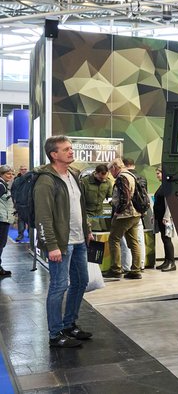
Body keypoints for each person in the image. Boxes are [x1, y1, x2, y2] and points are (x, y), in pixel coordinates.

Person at [35, 135, 94, 348]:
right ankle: (55, 333)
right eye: (66, 149)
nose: (71, 151)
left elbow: (80, 207)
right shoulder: (46, 180)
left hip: (79, 240)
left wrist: (87, 230)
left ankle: (69, 324)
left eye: (71, 148)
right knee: (59, 286)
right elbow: (43, 216)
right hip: (61, 242)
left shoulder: (74, 174)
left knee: (81, 281)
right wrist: (52, 245)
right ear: (54, 154)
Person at [104, 158, 143, 280]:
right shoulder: (131, 175)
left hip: (125, 214)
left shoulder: (122, 178)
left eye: (110, 170)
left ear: (115, 167)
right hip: (135, 213)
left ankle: (116, 269)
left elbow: (125, 197)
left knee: (113, 239)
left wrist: (118, 211)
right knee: (134, 242)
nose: (110, 173)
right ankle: (136, 270)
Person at [154, 166, 176, 272]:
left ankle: (171, 262)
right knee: (164, 238)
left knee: (167, 239)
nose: (157, 175)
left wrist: (167, 216)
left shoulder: (168, 186)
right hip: (160, 216)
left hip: (165, 217)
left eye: (158, 173)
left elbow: (170, 203)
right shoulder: (162, 185)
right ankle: (167, 261)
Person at [80, 164, 113, 231]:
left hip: (99, 214)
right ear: (96, 173)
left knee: (101, 232)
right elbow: (79, 198)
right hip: (87, 213)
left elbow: (109, 197)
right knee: (89, 232)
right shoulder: (85, 181)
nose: (103, 180)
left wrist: (115, 205)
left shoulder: (108, 183)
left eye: (105, 178)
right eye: (101, 178)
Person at [0, 166, 14, 277]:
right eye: (8, 174)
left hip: (3, 218)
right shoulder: (1, 186)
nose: (10, 176)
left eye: (11, 174)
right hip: (1, 219)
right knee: (0, 244)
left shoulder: (4, 185)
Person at [12, 165, 28, 242]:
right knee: (21, 220)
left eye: (25, 169)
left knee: (30, 220)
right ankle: (20, 234)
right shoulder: (16, 180)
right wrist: (14, 202)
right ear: (19, 170)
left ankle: (30, 233)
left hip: (29, 203)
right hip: (20, 203)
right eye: (22, 169)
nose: (23, 170)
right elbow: (13, 191)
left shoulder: (31, 179)